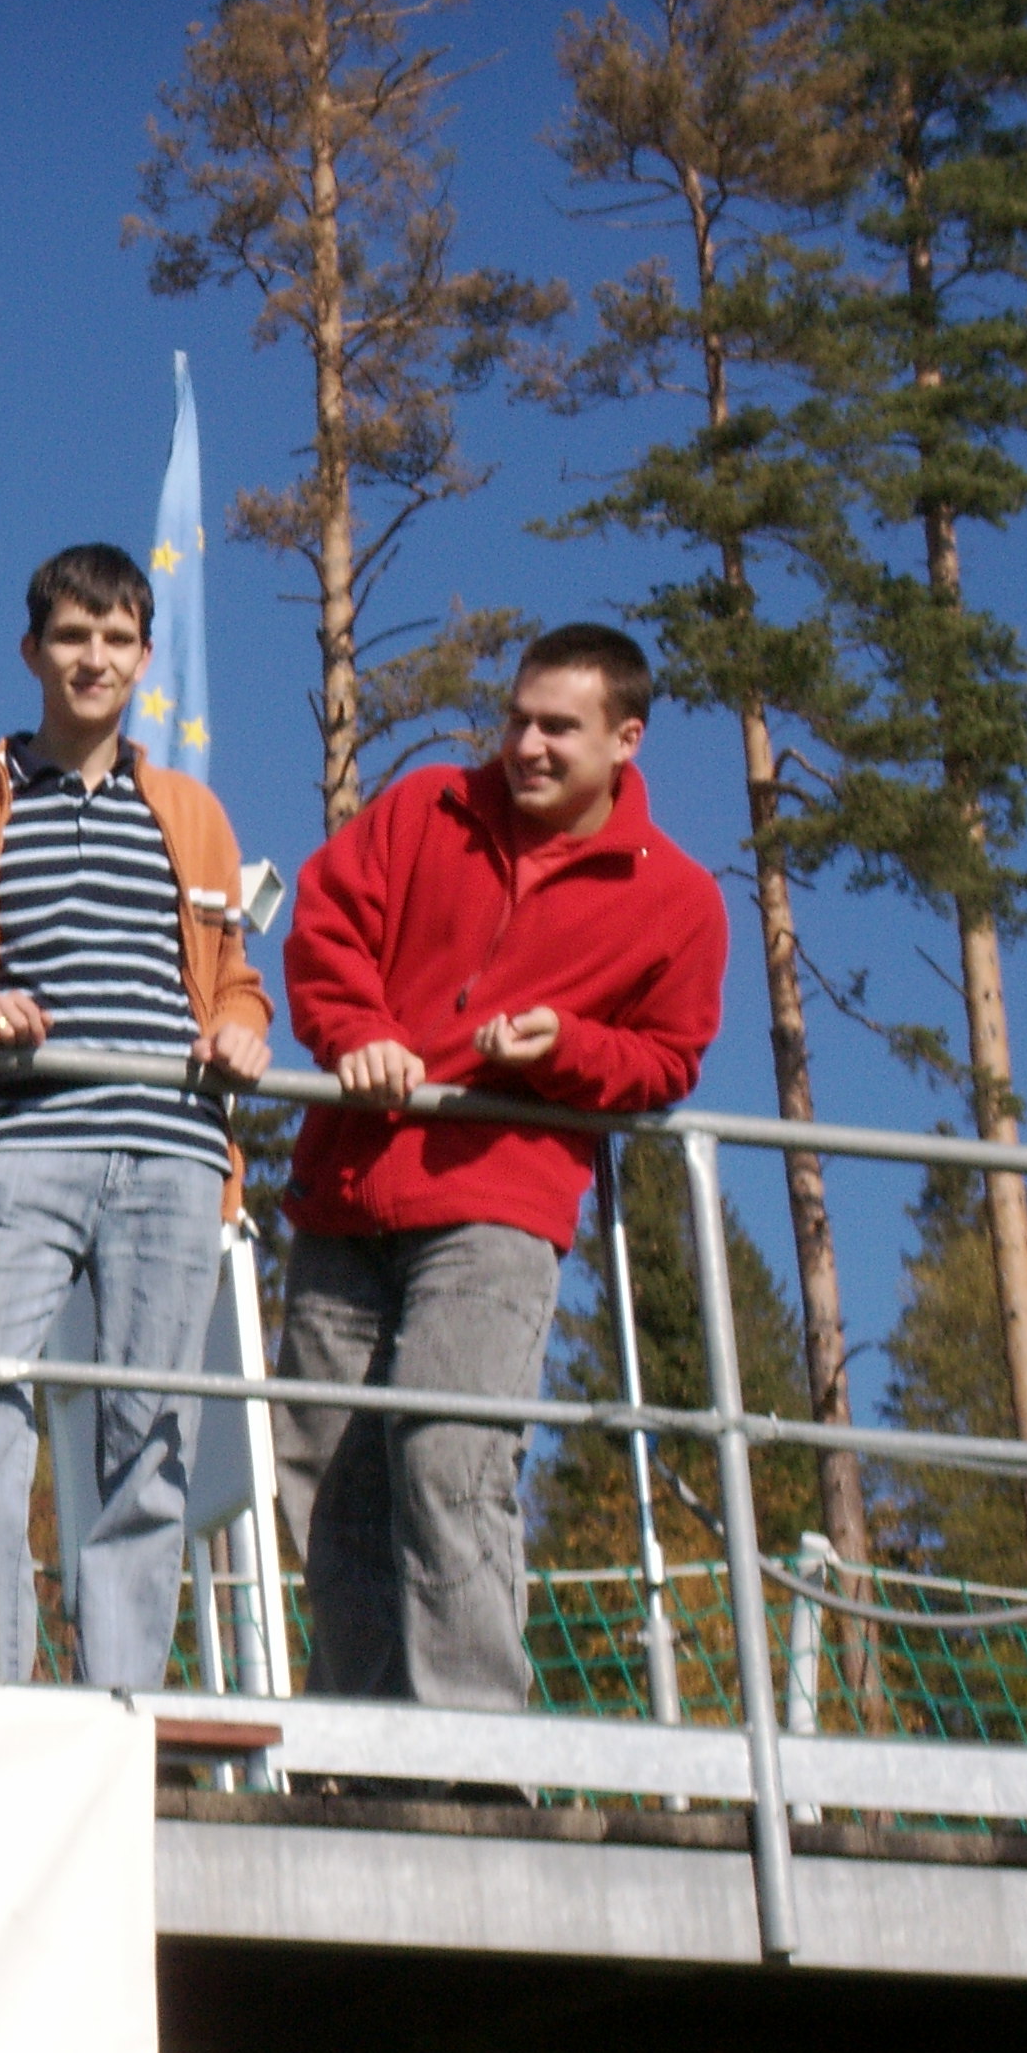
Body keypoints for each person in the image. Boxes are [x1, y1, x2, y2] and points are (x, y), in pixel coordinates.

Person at [273, 622, 728, 1710]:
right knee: (325, 1479)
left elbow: (668, 1059)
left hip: (498, 1203)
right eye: (517, 720)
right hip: (346, 1192)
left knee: (449, 1453)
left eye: (557, 729)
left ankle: (478, 1751)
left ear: (626, 739)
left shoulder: (679, 899)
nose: (526, 745)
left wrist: (566, 1049)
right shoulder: (424, 808)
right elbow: (326, 925)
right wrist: (358, 1032)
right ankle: (364, 1751)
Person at [0, 543, 273, 1687]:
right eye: (71, 636)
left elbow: (234, 977)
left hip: (175, 1150)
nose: (93, 659)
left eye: (115, 639)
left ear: (144, 658)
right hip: (21, 1146)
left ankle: (120, 1705)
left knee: (150, 1433)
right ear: (31, 651)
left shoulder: (191, 812)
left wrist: (241, 1028)